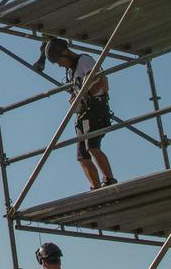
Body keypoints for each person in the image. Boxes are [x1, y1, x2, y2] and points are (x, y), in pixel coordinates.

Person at [45, 37, 117, 190]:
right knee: (81, 155)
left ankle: (109, 179)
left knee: (92, 146)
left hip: (95, 107)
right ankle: (96, 187)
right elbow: (77, 92)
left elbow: (100, 80)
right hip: (84, 113)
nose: (59, 64)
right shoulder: (71, 71)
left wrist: (87, 95)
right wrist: (76, 99)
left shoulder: (84, 60)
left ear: (65, 52)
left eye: (59, 60)